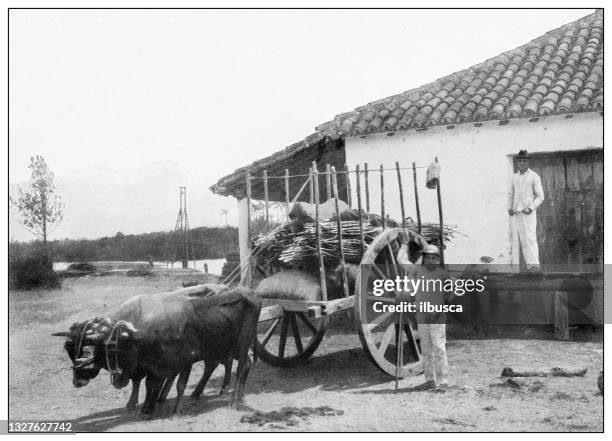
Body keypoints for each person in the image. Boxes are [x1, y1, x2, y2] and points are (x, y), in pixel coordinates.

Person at [408, 244, 451, 391]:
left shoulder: (443, 274)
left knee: (439, 348)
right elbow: (402, 261)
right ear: (423, 259)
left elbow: (450, 294)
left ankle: (443, 381)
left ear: (438, 260)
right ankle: (429, 380)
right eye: (427, 258)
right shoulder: (418, 272)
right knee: (425, 349)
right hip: (422, 316)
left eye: (433, 258)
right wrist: (403, 245)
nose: (430, 261)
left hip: (437, 316)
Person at [508, 150, 545, 272]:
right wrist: (510, 208)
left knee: (530, 237)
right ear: (517, 162)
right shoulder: (514, 177)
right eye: (520, 161)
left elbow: (540, 196)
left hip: (528, 212)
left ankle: (535, 265)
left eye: (524, 161)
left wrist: (531, 208)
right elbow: (511, 194)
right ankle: (530, 266)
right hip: (518, 212)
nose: (522, 163)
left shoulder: (534, 176)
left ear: (528, 162)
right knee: (523, 239)